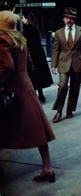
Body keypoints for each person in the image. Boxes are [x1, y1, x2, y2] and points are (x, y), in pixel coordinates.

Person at [0, 11, 56, 183]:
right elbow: (30, 64)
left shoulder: (3, 40)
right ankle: (48, 168)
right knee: (38, 129)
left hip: (13, 89)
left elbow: (6, 67)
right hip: (27, 86)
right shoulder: (20, 40)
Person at [50, 7, 81, 123]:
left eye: (72, 18)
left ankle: (70, 110)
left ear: (75, 19)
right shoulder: (58, 33)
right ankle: (58, 111)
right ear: (64, 19)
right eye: (67, 18)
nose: (69, 20)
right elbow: (56, 50)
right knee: (62, 85)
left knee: (75, 87)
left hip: (78, 62)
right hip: (63, 63)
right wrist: (53, 65)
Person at [21, 11, 53, 103]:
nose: (22, 19)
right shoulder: (35, 27)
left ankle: (35, 97)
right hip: (39, 54)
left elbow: (26, 42)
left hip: (32, 55)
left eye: (23, 17)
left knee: (33, 76)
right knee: (39, 76)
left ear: (26, 18)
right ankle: (41, 96)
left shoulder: (27, 28)